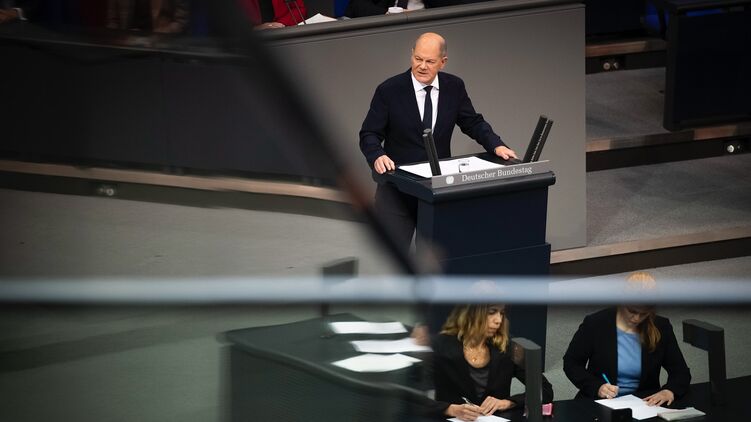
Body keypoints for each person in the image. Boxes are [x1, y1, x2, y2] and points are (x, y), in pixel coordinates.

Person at [359, 32, 518, 253]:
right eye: (418, 59)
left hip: (437, 190)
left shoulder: (454, 87)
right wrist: (377, 155)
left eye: (430, 61)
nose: (422, 66)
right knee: (389, 259)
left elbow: (472, 122)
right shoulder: (389, 90)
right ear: (411, 55)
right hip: (397, 192)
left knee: (436, 259)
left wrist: (496, 145)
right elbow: (369, 133)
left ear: (443, 62)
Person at [562, 272, 691, 406]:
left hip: (643, 403)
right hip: (600, 402)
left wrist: (669, 391)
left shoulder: (661, 326)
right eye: (632, 311)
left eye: (643, 314)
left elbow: (680, 371)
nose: (636, 318)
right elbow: (572, 363)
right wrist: (597, 387)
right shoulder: (596, 323)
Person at [429, 304, 553, 421]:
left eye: (501, 313)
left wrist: (507, 402)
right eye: (491, 312)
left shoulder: (508, 347)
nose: (498, 320)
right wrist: (450, 409)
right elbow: (418, 399)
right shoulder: (440, 345)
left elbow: (545, 390)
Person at [106, 0, 190, 33]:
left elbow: (181, 23)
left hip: (161, 51)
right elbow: (113, 22)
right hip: (124, 51)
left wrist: (152, 37)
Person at [238, 0, 307, 29]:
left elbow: (299, 9)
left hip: (283, 33)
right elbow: (235, 21)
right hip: (253, 40)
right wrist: (257, 28)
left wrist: (279, 24)